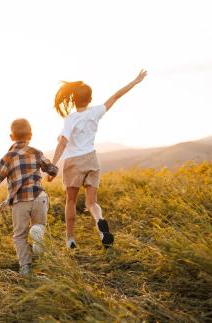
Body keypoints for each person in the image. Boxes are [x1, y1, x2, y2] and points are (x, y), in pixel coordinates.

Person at [49, 70, 148, 249]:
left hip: (74, 162)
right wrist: (135, 81)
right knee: (92, 202)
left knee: (70, 201)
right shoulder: (95, 112)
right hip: (92, 159)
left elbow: (63, 142)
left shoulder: (71, 119)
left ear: (72, 100)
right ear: (90, 98)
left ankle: (70, 239)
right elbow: (116, 95)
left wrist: (52, 165)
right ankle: (100, 223)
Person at [0, 118, 58, 275]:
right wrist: (51, 174)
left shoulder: (8, 157)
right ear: (30, 135)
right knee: (40, 227)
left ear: (11, 137)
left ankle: (25, 267)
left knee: (20, 236)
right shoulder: (36, 152)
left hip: (20, 202)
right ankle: (38, 233)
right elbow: (52, 169)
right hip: (39, 197)